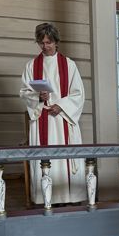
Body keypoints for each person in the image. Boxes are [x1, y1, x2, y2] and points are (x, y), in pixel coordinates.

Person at [20, 22, 86, 205]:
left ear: (56, 42)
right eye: (41, 42)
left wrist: (61, 105)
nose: (45, 46)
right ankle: (45, 197)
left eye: (49, 42)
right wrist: (38, 97)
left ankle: (69, 197)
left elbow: (78, 93)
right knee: (45, 158)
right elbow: (24, 92)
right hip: (41, 117)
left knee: (63, 159)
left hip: (62, 119)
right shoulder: (31, 66)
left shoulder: (69, 65)